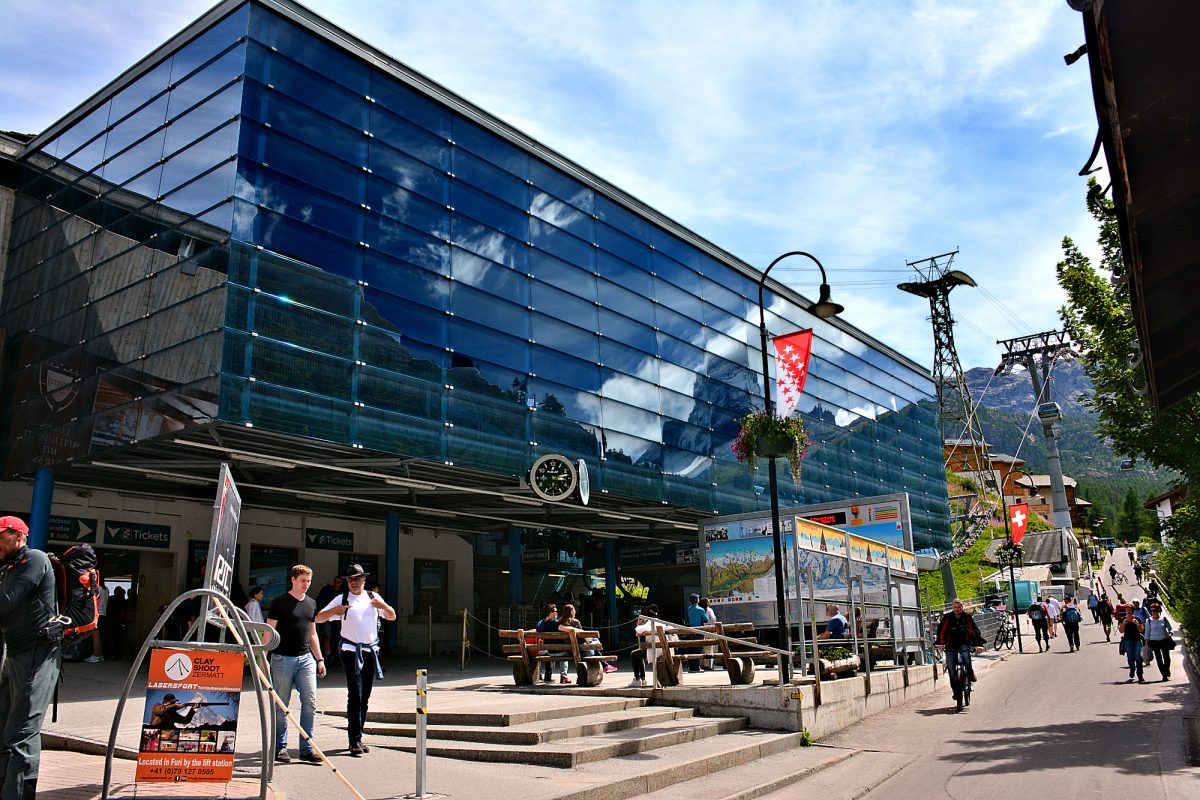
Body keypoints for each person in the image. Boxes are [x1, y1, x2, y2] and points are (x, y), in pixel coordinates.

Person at [0, 516, 61, 799]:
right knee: (3, 727)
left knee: (20, 732)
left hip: (37, 653)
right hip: (14, 653)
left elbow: (6, 602)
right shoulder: (7, 565)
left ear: (18, 536)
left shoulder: (34, 559)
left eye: (1, 536)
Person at [317, 564, 395, 757]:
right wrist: (335, 611)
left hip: (370, 651)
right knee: (355, 693)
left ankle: (358, 736)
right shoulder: (342, 599)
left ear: (364, 580)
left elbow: (392, 616)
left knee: (365, 695)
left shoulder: (372, 597)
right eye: (350, 579)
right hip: (350, 651)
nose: (354, 582)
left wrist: (383, 606)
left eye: (357, 578)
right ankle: (354, 740)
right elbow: (318, 618)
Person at [266, 565, 325, 764]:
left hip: (306, 658)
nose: (306, 584)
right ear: (293, 580)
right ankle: (280, 747)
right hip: (282, 658)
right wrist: (262, 660)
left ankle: (307, 748)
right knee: (281, 705)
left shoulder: (311, 603)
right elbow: (269, 632)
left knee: (310, 702)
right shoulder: (279, 602)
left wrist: (320, 659)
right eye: (302, 581)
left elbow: (312, 633)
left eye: (308, 581)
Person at [935, 598, 983, 705]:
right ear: (953, 608)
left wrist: (978, 645)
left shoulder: (967, 617)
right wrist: (941, 643)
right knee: (951, 671)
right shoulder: (947, 617)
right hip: (950, 645)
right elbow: (941, 630)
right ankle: (956, 692)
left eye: (958, 607)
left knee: (966, 660)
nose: (956, 609)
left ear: (962, 607)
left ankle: (970, 673)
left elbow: (974, 631)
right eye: (955, 607)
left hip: (964, 644)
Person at [630, 605, 674, 687]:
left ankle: (637, 679)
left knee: (634, 654)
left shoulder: (649, 623)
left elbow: (638, 630)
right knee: (638, 653)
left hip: (655, 651)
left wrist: (639, 624)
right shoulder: (661, 622)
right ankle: (642, 679)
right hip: (666, 650)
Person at [315, 575, 344, 658]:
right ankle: (327, 654)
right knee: (327, 635)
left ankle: (333, 653)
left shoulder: (343, 593)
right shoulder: (326, 590)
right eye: (335, 581)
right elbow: (319, 603)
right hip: (326, 615)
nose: (336, 583)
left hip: (337, 617)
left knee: (336, 636)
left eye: (338, 582)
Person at [1144, 603, 1174, 681]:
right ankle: (1164, 675)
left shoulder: (1163, 619)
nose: (1153, 612)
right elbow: (1147, 632)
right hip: (1154, 642)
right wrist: (1146, 643)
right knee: (1159, 658)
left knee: (1167, 658)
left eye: (1155, 610)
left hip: (1164, 640)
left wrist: (1170, 634)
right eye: (1151, 610)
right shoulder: (1149, 621)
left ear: (1158, 610)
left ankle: (1166, 669)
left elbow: (1170, 629)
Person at [85, 577, 110, 663]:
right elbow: (107, 603)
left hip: (97, 614)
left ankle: (95, 655)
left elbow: (94, 601)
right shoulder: (106, 589)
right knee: (99, 636)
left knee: (95, 635)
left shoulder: (97, 588)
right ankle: (100, 654)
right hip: (104, 614)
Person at [1118, 606, 1145, 683]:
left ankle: (1140, 675)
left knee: (1138, 658)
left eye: (1130, 610)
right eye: (1127, 610)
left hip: (1137, 640)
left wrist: (1137, 624)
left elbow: (1141, 630)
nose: (1128, 611)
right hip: (1127, 640)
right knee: (1130, 657)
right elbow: (1121, 631)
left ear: (1133, 611)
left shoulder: (1137, 619)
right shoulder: (1123, 619)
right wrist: (1123, 624)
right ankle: (1132, 669)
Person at [683, 594, 708, 673]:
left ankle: (691, 667)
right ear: (697, 600)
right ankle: (697, 667)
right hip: (699, 631)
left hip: (691, 631)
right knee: (698, 649)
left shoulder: (689, 608)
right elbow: (707, 619)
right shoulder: (700, 609)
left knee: (692, 649)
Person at [700, 597, 718, 669]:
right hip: (710, 629)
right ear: (706, 603)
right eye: (708, 601)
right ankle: (708, 665)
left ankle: (702, 664)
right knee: (710, 648)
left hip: (702, 629)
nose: (709, 602)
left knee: (703, 648)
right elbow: (713, 619)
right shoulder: (709, 610)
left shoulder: (699, 609)